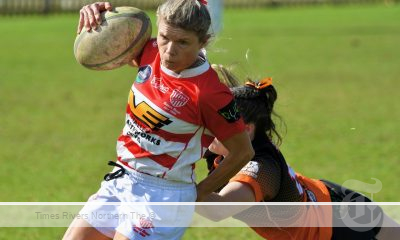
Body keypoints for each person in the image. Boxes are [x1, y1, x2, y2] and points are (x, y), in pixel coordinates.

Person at [63, 1, 254, 240]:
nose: (169, 50)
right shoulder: (151, 50)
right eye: (164, 37)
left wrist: (200, 191)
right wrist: (96, 19)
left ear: (203, 42)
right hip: (122, 179)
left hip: (163, 197)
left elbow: (242, 152)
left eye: (183, 42)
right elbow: (109, 45)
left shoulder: (210, 94)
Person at [198, 65, 400, 240]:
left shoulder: (261, 169)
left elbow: (218, 209)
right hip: (327, 193)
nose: (207, 127)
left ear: (247, 129)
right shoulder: (226, 144)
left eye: (216, 123)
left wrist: (175, 183)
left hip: (335, 232)